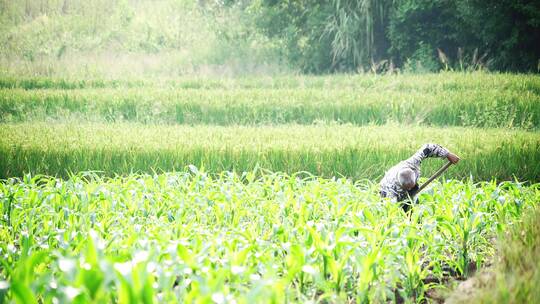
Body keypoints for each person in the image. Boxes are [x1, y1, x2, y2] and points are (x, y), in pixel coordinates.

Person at [379, 143, 460, 210]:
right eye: (408, 188)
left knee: (413, 203)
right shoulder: (391, 190)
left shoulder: (413, 163)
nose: (410, 189)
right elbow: (391, 210)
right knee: (404, 209)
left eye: (412, 186)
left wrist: (448, 154)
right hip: (386, 189)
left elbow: (429, 147)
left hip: (401, 181)